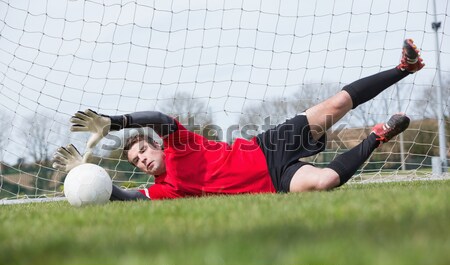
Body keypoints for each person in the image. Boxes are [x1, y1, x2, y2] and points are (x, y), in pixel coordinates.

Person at [53, 39, 424, 201]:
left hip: (269, 145)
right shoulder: (167, 190)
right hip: (277, 182)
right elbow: (125, 197)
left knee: (338, 103)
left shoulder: (179, 145)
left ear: (155, 145)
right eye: (136, 162)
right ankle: (378, 135)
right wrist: (86, 178)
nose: (143, 160)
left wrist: (115, 122)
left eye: (143, 152)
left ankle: (402, 68)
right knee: (324, 181)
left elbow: (159, 118)